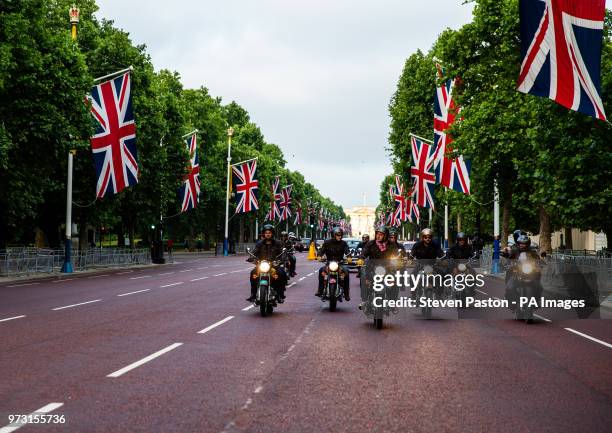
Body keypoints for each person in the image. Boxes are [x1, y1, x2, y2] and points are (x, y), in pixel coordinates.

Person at [246, 224, 288, 303]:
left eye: (269, 232)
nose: (268, 234)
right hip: (262, 265)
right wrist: (251, 257)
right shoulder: (259, 243)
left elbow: (283, 253)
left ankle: (280, 294)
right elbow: (254, 251)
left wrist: (282, 259)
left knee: (281, 273)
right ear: (264, 234)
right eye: (266, 233)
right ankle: (253, 294)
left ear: (272, 233)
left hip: (274, 265)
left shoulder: (278, 243)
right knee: (253, 273)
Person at [502, 234, 543, 308]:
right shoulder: (515, 249)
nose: (522, 245)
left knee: (538, 286)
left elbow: (537, 258)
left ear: (527, 244)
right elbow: (509, 256)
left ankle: (536, 301)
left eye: (524, 243)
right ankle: (510, 301)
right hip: (517, 270)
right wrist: (506, 256)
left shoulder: (531, 251)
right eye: (520, 243)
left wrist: (541, 262)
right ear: (518, 243)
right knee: (509, 286)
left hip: (529, 271)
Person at [316, 226, 350, 300]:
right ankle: (320, 290)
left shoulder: (343, 243)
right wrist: (319, 255)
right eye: (338, 235)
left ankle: (346, 293)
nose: (339, 236)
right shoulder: (327, 243)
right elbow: (321, 250)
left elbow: (347, 251)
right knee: (321, 271)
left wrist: (349, 257)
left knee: (346, 272)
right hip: (329, 263)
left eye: (340, 235)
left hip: (339, 263)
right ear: (333, 235)